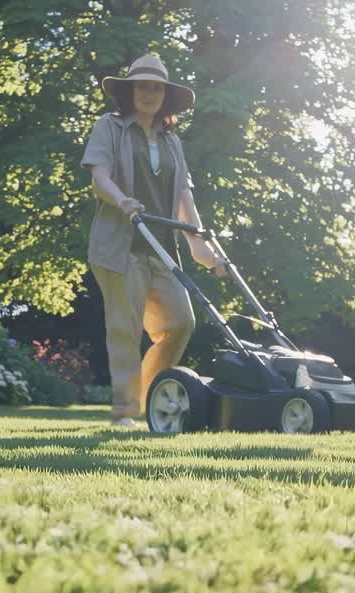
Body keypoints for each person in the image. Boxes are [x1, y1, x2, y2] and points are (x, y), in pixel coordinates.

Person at [81, 53, 226, 427]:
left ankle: (149, 400)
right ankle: (124, 414)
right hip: (120, 245)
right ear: (130, 92)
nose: (149, 93)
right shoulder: (109, 127)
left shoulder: (172, 140)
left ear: (165, 95)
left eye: (156, 87)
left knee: (180, 323)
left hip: (162, 247)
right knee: (125, 329)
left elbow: (184, 196)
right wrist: (122, 200)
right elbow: (99, 177)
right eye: (142, 86)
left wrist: (200, 243)